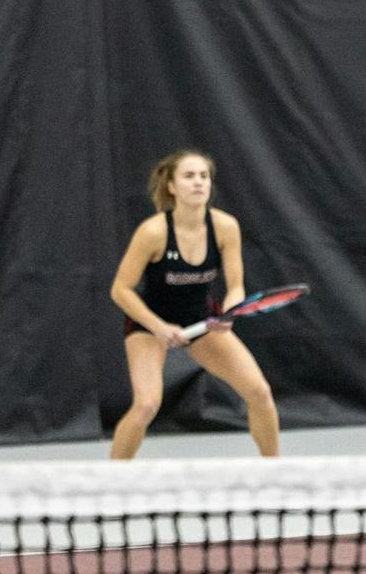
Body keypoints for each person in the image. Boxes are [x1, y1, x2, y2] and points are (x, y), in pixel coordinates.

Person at [109, 150, 280, 458]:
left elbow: (236, 285)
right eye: (189, 176)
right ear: (172, 186)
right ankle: (107, 487)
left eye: (204, 176)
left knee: (260, 393)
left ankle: (274, 473)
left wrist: (231, 312)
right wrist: (159, 327)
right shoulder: (153, 232)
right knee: (146, 405)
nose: (198, 183)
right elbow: (120, 290)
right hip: (150, 325)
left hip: (202, 320)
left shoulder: (226, 227)